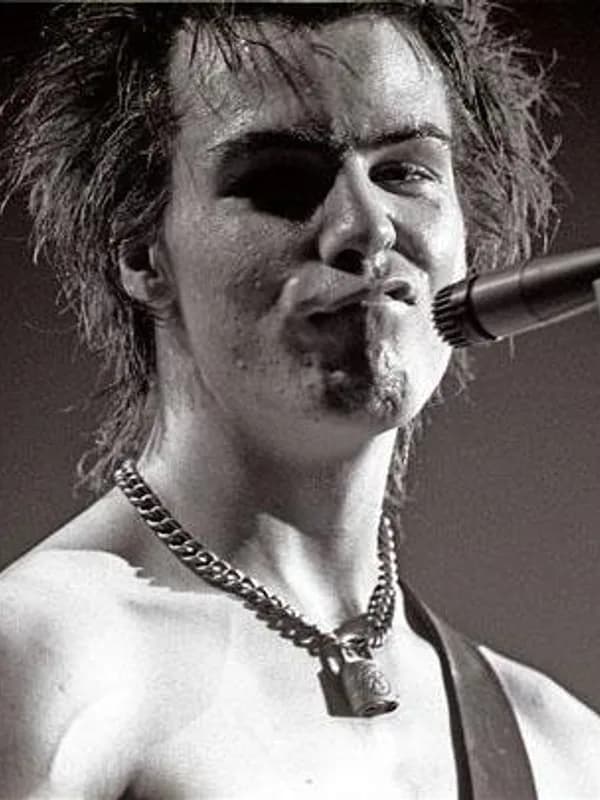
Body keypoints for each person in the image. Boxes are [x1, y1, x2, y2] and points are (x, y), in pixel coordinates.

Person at [1, 1, 599, 798]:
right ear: (143, 255)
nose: (366, 228)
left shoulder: (562, 749)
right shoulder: (42, 657)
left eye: (405, 172)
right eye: (279, 180)